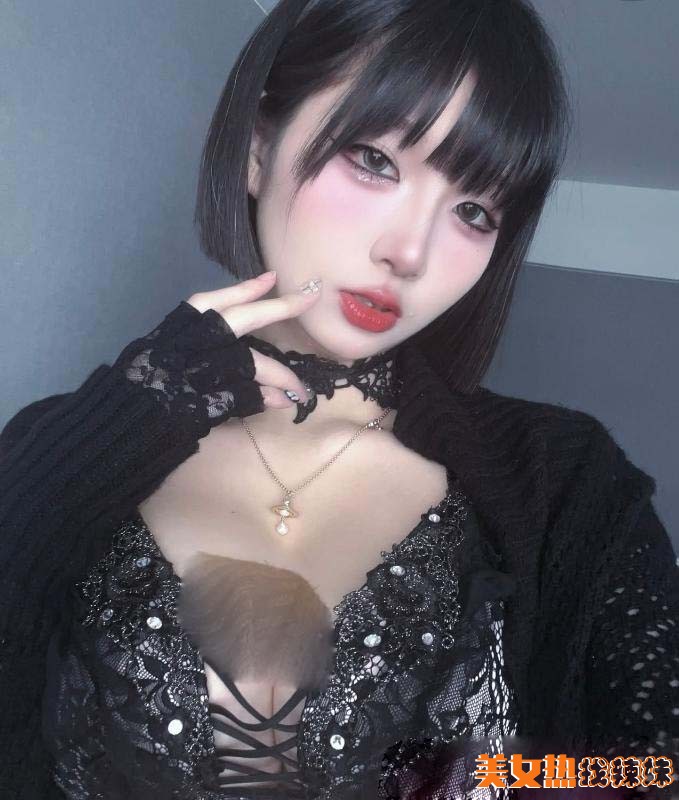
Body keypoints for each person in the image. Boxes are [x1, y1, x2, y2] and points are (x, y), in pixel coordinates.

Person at [1, 0, 677, 798]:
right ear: (259, 149)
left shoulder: (565, 480)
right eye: (373, 160)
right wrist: (125, 416)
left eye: (472, 211)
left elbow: (656, 767)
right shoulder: (71, 445)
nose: (409, 251)